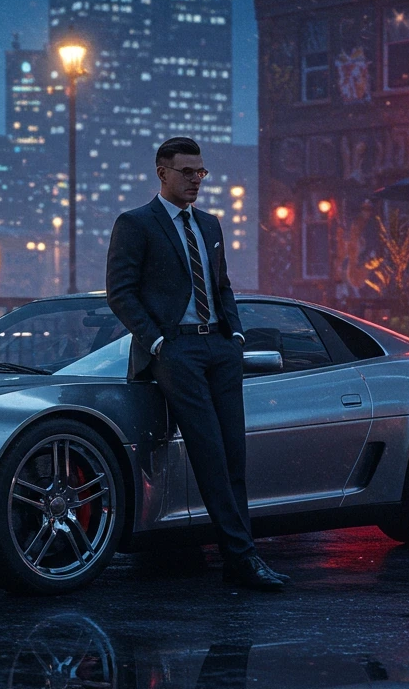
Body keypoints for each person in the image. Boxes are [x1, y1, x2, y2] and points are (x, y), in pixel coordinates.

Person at [105, 136, 290, 592]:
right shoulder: (136, 224)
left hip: (220, 348)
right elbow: (120, 292)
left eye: (201, 173)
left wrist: (236, 332)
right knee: (208, 452)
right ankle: (242, 558)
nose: (196, 181)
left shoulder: (210, 224)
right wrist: (160, 341)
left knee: (234, 456)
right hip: (177, 351)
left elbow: (221, 283)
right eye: (187, 172)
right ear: (161, 172)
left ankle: (239, 557)